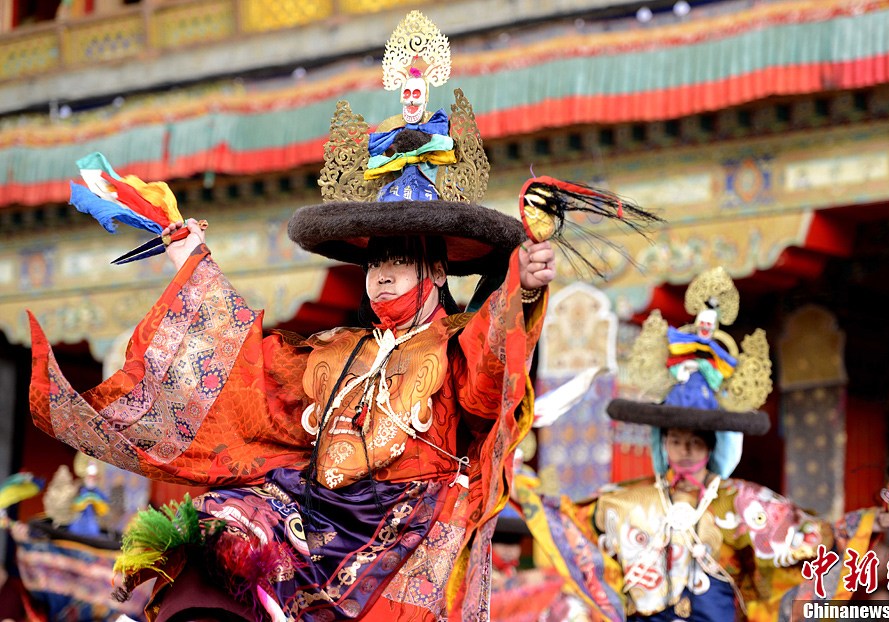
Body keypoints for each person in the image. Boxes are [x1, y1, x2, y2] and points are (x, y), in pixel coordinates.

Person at [25, 11, 572, 622]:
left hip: (407, 527)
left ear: (438, 272)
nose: (382, 275)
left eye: (400, 260)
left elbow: (487, 387)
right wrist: (190, 258)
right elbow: (247, 369)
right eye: (374, 263)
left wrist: (518, 292)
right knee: (222, 525)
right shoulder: (338, 350)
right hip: (315, 510)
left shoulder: (454, 345)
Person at [513, 268, 889, 622]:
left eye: (696, 443)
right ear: (662, 442)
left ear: (713, 447)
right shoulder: (626, 500)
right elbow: (568, 518)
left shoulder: (743, 502)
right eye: (676, 440)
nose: (685, 451)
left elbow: (812, 537)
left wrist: (866, 523)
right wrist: (515, 478)